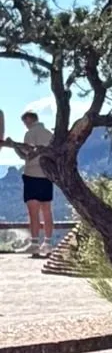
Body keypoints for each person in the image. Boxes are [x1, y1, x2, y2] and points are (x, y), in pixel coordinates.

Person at [5, 109, 56, 259]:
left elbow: (25, 156)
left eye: (24, 122)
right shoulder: (49, 134)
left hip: (32, 175)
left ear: (28, 120)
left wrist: (13, 145)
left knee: (33, 212)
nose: (25, 126)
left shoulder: (30, 133)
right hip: (47, 175)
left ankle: (34, 244)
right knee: (47, 210)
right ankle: (48, 243)